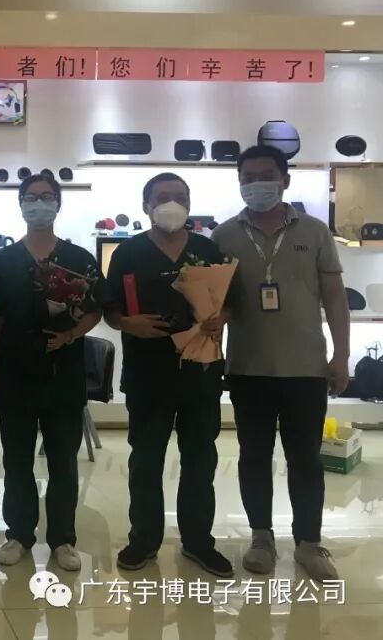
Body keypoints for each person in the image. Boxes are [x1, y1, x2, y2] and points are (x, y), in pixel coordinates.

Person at [212, 145, 348, 582]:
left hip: (306, 367)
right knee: (253, 456)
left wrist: (341, 355)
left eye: (266, 175)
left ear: (284, 180)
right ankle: (261, 538)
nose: (257, 184)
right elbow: (213, 302)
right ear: (239, 183)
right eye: (248, 177)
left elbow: (335, 297)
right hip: (247, 368)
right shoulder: (224, 236)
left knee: (305, 459)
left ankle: (308, 542)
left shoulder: (315, 231)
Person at [103, 172, 234, 577]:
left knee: (200, 460)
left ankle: (198, 542)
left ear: (190, 204)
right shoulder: (128, 253)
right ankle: (143, 540)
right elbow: (109, 309)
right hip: (148, 374)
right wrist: (128, 323)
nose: (171, 204)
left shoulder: (208, 249)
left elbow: (233, 301)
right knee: (146, 461)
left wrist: (221, 319)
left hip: (200, 371)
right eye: (162, 197)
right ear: (146, 206)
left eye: (179, 196)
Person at [0, 175, 103, 571]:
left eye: (47, 197)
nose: (39, 204)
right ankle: (18, 534)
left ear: (58, 204)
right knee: (17, 460)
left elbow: (96, 309)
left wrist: (70, 335)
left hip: (63, 372)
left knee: (64, 460)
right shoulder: (2, 261)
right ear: (20, 204)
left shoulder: (78, 258)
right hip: (14, 371)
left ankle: (63, 539)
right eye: (31, 197)